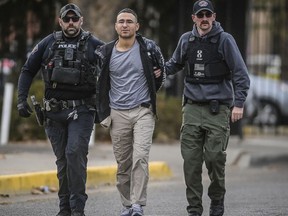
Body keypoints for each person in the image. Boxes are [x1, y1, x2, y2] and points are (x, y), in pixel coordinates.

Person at [17, 3, 104, 216]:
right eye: (67, 19)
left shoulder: (94, 44)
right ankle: (64, 209)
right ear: (61, 21)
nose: (71, 23)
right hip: (53, 113)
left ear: (81, 20)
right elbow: (28, 70)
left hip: (82, 111)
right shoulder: (48, 43)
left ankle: (77, 210)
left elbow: (114, 69)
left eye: (75, 19)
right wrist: (21, 100)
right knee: (63, 161)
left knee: (75, 153)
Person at [165, 1, 250, 216]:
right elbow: (174, 64)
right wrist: (159, 71)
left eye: (207, 15)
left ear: (214, 16)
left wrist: (238, 103)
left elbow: (241, 74)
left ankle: (217, 199)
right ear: (193, 18)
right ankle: (194, 209)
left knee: (214, 159)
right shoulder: (186, 40)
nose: (204, 19)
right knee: (191, 164)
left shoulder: (224, 40)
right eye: (200, 15)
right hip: (192, 109)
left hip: (217, 109)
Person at [95, 8, 165, 216]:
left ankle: (138, 205)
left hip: (143, 110)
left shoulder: (149, 48)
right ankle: (127, 204)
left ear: (137, 26)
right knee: (123, 163)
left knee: (140, 157)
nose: (125, 25)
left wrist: (155, 82)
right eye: (121, 21)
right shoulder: (106, 52)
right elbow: (101, 83)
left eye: (129, 22)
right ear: (116, 26)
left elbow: (160, 74)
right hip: (118, 114)